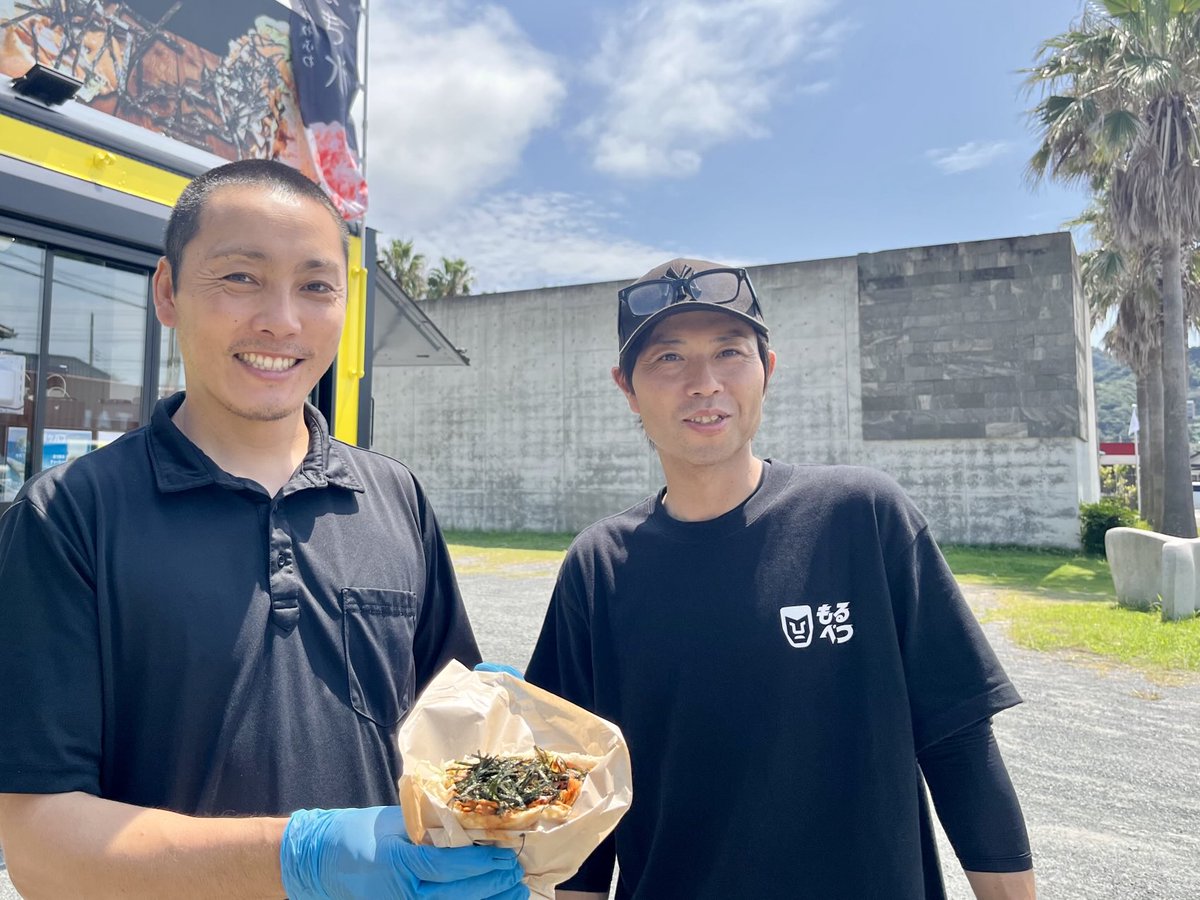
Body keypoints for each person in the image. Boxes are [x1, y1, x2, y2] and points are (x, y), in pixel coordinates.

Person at [0, 159, 527, 900]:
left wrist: (505, 759)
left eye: (316, 286)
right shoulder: (66, 518)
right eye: (241, 277)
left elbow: (450, 732)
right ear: (168, 293)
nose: (282, 319)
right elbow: (39, 847)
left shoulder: (392, 496)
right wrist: (301, 857)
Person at [526, 259, 1036, 899]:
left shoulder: (861, 518)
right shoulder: (599, 567)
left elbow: (960, 745)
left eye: (730, 352)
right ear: (626, 387)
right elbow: (579, 811)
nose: (704, 383)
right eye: (668, 359)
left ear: (767, 369)